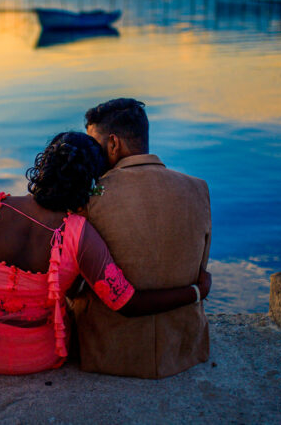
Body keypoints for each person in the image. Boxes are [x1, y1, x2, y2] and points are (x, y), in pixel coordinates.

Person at [0, 131, 211, 375]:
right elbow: (126, 303)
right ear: (92, 183)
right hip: (36, 358)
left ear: (43, 165)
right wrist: (196, 291)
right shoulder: (80, 234)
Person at [71, 99, 212, 378]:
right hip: (183, 348)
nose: (91, 154)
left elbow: (74, 281)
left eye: (94, 145)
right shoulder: (198, 189)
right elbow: (200, 267)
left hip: (107, 351)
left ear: (113, 144)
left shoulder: (90, 198)